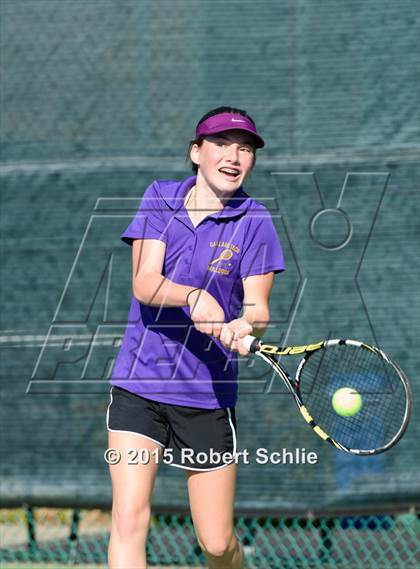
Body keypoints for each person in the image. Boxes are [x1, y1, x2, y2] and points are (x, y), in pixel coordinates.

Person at [106, 106, 285, 569]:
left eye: (244, 149)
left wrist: (246, 325)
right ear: (196, 152)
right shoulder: (161, 199)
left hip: (206, 397)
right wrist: (192, 297)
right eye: (222, 144)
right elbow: (145, 282)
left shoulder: (255, 220)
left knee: (217, 544)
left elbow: (258, 307)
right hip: (138, 386)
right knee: (128, 519)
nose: (234, 156)